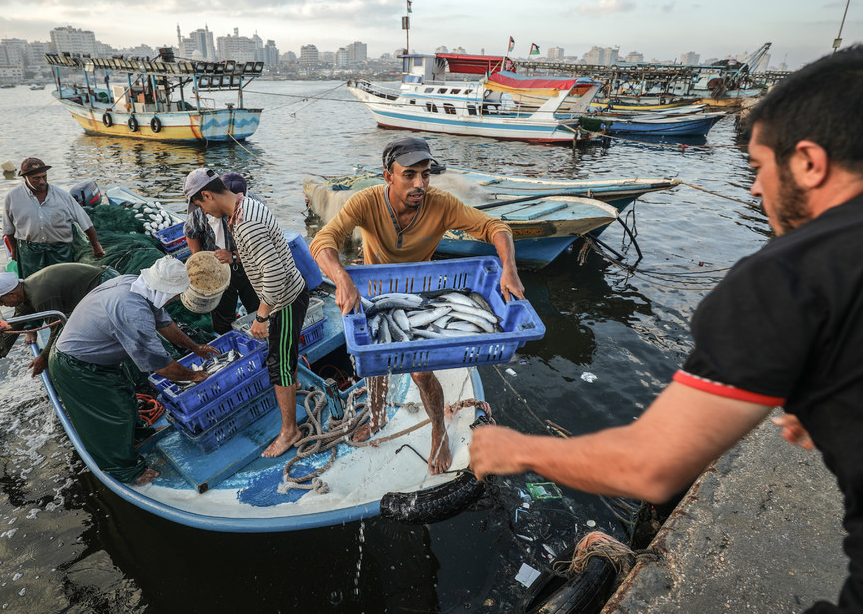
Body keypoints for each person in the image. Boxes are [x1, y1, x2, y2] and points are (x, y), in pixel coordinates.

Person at [469, 46, 863, 613]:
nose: (755, 190)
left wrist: (515, 448)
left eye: (758, 169)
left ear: (808, 162)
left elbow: (649, 468)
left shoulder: (790, 275)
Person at [309, 137, 525, 475]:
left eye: (425, 174)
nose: (419, 184)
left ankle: (439, 429)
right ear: (388, 176)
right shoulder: (365, 202)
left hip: (420, 295)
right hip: (375, 292)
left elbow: (494, 227)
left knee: (422, 372)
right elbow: (323, 241)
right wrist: (341, 278)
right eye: (409, 175)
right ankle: (378, 417)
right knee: (374, 365)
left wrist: (508, 268)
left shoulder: (442, 204)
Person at [48, 256, 220, 485]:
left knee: (124, 397)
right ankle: (124, 470)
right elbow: (162, 366)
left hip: (98, 359)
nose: (176, 298)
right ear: (164, 289)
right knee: (110, 415)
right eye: (175, 293)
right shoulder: (132, 310)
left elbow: (165, 325)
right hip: (75, 365)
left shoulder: (140, 286)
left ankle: (137, 434)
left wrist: (194, 347)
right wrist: (193, 376)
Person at [185, 168, 309, 458]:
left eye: (201, 205)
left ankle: (290, 431)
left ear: (208, 195)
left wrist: (262, 317)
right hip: (284, 297)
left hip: (285, 301)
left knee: (278, 364)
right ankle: (291, 383)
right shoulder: (243, 205)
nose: (202, 211)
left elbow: (276, 274)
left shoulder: (246, 223)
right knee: (282, 357)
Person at [0, 263, 119, 379]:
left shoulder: (40, 296)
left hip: (108, 284)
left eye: (1, 300)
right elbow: (14, 327)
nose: (1, 305)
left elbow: (58, 329)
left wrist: (44, 356)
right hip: (97, 286)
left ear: (12, 294)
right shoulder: (25, 290)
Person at [183, 170, 260, 335]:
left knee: (256, 305)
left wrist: (234, 256)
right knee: (223, 315)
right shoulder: (201, 209)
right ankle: (227, 338)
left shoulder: (251, 208)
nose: (205, 211)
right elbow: (191, 233)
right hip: (218, 268)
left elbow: (260, 250)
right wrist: (199, 258)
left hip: (248, 264)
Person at [2, 157, 105, 278]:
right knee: (32, 286)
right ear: (25, 178)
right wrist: (14, 251)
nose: (42, 181)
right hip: (29, 253)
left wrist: (95, 245)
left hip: (59, 251)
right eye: (36, 178)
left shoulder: (62, 196)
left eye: (44, 176)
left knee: (63, 285)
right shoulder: (12, 197)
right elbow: (8, 229)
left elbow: (85, 221)